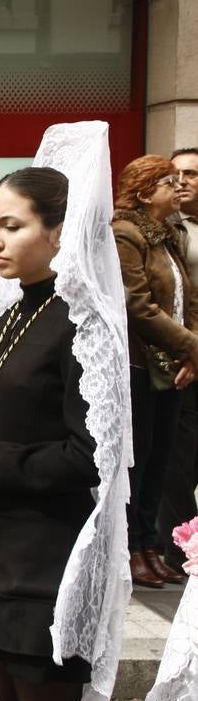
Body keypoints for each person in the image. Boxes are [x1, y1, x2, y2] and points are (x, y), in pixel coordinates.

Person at [0, 134, 132, 701]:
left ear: (59, 233)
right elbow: (1, 421)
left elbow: (88, 458)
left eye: (11, 226)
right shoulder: (10, 312)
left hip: (48, 567)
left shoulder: (82, 324)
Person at [111, 154, 198, 589]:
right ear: (145, 192)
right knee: (140, 459)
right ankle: (131, 548)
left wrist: (190, 351)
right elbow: (137, 306)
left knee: (163, 459)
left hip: (175, 362)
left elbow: (188, 298)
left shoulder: (167, 237)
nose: (177, 186)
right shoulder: (125, 234)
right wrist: (191, 347)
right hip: (140, 363)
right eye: (169, 180)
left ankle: (150, 546)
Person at [162, 146, 198, 573]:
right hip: (183, 353)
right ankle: (176, 544)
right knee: (178, 456)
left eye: (190, 173)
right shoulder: (165, 230)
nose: (182, 181)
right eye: (175, 175)